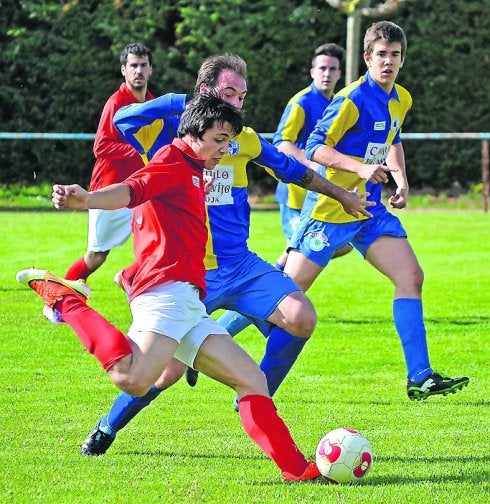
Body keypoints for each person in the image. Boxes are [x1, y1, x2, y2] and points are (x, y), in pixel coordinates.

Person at [77, 54, 374, 457]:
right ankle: (107, 428)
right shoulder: (171, 132)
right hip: (186, 274)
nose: (236, 103)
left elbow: (291, 170)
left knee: (301, 317)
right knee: (165, 373)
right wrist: (178, 103)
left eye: (242, 96)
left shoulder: (243, 138)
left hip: (241, 265)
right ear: (204, 93)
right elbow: (124, 118)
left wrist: (342, 193)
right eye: (227, 94)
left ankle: (253, 394)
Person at [16, 93, 323, 482]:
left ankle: (298, 471)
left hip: (189, 301)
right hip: (164, 294)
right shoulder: (172, 163)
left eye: (229, 140)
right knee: (133, 377)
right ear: (193, 132)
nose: (225, 148)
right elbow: (132, 190)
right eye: (219, 139)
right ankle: (66, 301)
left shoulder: (194, 168)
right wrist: (89, 199)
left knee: (252, 380)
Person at [285, 21, 469, 401]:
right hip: (332, 208)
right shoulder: (351, 98)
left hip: (369, 209)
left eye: (395, 55)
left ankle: (420, 376)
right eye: (381, 55)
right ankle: (205, 342)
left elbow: (392, 139)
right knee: (282, 294)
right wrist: (360, 168)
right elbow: (316, 146)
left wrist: (401, 181)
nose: (388, 62)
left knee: (411, 276)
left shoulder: (402, 97)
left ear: (403, 60)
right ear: (367, 58)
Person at [217, 43, 353, 336]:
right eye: (322, 68)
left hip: (320, 201)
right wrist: (314, 163)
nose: (327, 74)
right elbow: (282, 144)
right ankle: (227, 330)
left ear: (340, 73)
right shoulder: (302, 103)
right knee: (293, 277)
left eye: (332, 69)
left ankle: (269, 289)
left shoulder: (339, 102)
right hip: (296, 200)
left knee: (338, 247)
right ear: (312, 71)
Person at [64, 43, 157, 284]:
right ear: (123, 70)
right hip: (109, 189)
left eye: (143, 65)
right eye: (133, 65)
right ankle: (58, 297)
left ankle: (127, 278)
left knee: (162, 243)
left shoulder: (153, 103)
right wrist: (140, 150)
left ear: (150, 70)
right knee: (97, 256)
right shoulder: (116, 103)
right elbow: (101, 147)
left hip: (141, 190)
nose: (138, 70)